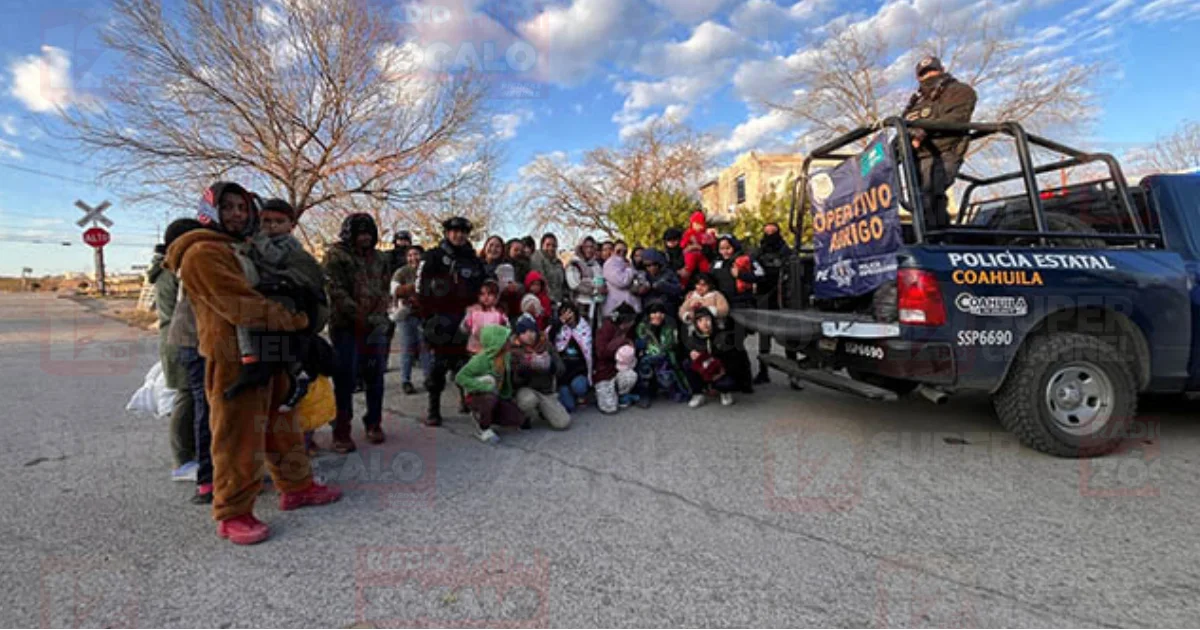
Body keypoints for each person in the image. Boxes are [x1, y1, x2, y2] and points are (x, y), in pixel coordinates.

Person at [166, 181, 340, 545]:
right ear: (210, 210)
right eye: (228, 207)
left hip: (267, 348)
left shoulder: (240, 247)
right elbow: (240, 304)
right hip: (233, 357)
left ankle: (297, 487)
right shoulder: (201, 252)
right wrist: (297, 322)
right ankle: (233, 512)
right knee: (237, 436)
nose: (236, 214)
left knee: (282, 424)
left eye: (242, 207)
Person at [324, 213, 391, 453]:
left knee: (376, 377)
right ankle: (341, 430)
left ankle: (374, 422)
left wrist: (379, 316)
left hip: (374, 326)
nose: (365, 238)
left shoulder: (380, 258)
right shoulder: (336, 255)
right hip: (346, 326)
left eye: (368, 233)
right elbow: (336, 291)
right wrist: (360, 316)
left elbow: (385, 288)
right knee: (345, 379)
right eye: (360, 233)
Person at [417, 216, 487, 426]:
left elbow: (482, 288)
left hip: (465, 318)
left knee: (465, 362)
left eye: (463, 232)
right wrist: (427, 318)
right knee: (438, 365)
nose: (459, 236)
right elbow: (420, 288)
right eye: (455, 231)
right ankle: (433, 408)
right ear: (447, 233)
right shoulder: (433, 256)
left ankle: (465, 399)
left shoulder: (473, 260)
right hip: (439, 319)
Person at [902, 55, 978, 232]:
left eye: (932, 71)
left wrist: (923, 132)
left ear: (942, 70)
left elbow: (957, 117)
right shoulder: (917, 101)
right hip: (916, 156)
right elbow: (905, 123)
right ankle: (927, 234)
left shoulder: (959, 91)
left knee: (932, 194)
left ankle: (939, 237)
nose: (929, 76)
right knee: (918, 200)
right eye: (924, 74)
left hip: (944, 151)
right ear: (918, 77)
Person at [149, 232, 195, 482]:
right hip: (180, 340)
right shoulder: (173, 271)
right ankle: (183, 461)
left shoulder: (164, 269)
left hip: (173, 338)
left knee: (187, 398)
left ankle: (187, 456)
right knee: (186, 399)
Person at [455, 324, 526, 444]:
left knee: (518, 419)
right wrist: (485, 387)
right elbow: (460, 377)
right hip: (477, 396)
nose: (509, 341)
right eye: (505, 339)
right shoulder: (480, 360)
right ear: (497, 342)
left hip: (498, 395)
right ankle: (483, 427)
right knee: (489, 397)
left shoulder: (505, 356)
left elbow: (518, 359)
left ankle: (488, 415)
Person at [510, 317, 571, 430]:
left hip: (545, 390)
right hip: (526, 389)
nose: (529, 335)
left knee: (563, 423)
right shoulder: (514, 350)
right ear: (518, 335)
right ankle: (525, 417)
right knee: (527, 401)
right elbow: (513, 380)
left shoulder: (546, 345)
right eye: (524, 332)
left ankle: (543, 411)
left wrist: (550, 365)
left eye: (532, 331)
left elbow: (561, 368)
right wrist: (526, 368)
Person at [754, 223, 794, 383]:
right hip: (764, 298)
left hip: (782, 299)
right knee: (764, 339)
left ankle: (793, 375)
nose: (770, 235)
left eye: (773, 232)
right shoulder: (759, 251)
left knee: (789, 338)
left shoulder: (785, 251)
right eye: (767, 232)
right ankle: (763, 372)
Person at [391, 244, 430, 396]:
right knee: (407, 348)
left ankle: (428, 378)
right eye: (410, 255)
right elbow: (394, 290)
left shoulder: (428, 270)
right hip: (406, 315)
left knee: (425, 348)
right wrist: (412, 289)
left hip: (424, 314)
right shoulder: (401, 272)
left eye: (416, 254)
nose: (413, 258)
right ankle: (405, 380)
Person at [634, 302, 690, 408]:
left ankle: (674, 389)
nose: (657, 315)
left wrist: (661, 351)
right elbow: (641, 343)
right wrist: (651, 329)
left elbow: (672, 343)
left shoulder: (670, 325)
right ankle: (645, 394)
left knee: (668, 369)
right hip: (648, 356)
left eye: (660, 312)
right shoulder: (643, 326)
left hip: (665, 356)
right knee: (644, 364)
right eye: (654, 312)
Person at [683, 307, 740, 408]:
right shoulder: (693, 338)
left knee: (728, 381)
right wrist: (691, 354)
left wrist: (716, 359)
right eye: (700, 321)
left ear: (712, 320)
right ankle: (698, 393)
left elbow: (733, 358)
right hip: (703, 371)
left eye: (707, 319)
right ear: (696, 324)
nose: (705, 323)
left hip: (720, 371)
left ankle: (725, 392)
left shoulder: (722, 335)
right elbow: (685, 352)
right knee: (687, 364)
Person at [593, 303, 639, 414]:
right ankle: (602, 392)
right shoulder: (605, 329)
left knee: (630, 376)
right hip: (604, 370)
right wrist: (621, 341)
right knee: (610, 408)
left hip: (621, 369)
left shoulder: (629, 330)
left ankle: (622, 394)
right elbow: (601, 353)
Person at [553, 302, 592, 412]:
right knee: (569, 407)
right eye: (563, 313)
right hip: (563, 375)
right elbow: (549, 339)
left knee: (579, 386)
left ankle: (580, 394)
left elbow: (588, 353)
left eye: (570, 312)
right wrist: (559, 323)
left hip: (578, 371)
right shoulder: (557, 328)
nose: (567, 316)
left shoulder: (584, 328)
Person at [565, 236, 606, 327]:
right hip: (581, 305)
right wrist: (594, 289)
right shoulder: (574, 264)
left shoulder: (596, 264)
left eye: (591, 247)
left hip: (596, 306)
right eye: (586, 247)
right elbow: (574, 284)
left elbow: (601, 280)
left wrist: (602, 288)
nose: (589, 250)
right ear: (581, 248)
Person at [461, 280, 510, 355]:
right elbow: (463, 329)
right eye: (482, 294)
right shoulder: (473, 311)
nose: (486, 297)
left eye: (490, 294)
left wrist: (503, 324)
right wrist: (467, 323)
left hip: (492, 351)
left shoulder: (499, 313)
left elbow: (507, 329)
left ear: (496, 297)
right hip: (474, 350)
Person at [638, 248, 684, 317]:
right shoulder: (642, 275)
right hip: (649, 311)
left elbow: (678, 289)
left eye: (654, 264)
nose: (652, 267)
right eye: (648, 265)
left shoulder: (668, 273)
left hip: (667, 310)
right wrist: (641, 289)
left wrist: (664, 286)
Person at [602, 240, 640, 319]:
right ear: (613, 251)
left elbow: (638, 278)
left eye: (625, 251)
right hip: (616, 309)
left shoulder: (627, 263)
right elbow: (622, 281)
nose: (622, 253)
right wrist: (630, 270)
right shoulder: (610, 264)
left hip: (630, 308)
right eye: (618, 251)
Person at [529, 232, 566, 307]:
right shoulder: (537, 257)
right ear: (542, 245)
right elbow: (541, 279)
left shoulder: (558, 263)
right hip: (543, 302)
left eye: (554, 246)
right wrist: (550, 300)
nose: (551, 248)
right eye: (548, 245)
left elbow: (562, 284)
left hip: (558, 302)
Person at [680, 211, 716, 284]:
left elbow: (712, 244)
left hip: (701, 254)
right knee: (689, 268)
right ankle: (683, 283)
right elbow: (683, 244)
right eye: (695, 224)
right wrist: (691, 245)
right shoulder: (689, 233)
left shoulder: (705, 234)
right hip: (691, 254)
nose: (697, 226)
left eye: (699, 224)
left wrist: (712, 236)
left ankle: (708, 282)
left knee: (706, 268)